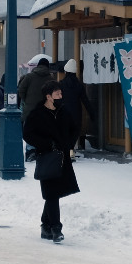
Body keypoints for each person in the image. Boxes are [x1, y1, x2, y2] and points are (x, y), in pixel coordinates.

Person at [25, 81, 77, 242]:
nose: (61, 96)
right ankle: (56, 228)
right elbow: (27, 134)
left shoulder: (63, 111)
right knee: (52, 193)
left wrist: (68, 143)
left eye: (61, 93)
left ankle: (45, 226)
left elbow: (74, 128)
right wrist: (46, 144)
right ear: (48, 97)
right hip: (47, 157)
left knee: (54, 194)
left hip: (63, 158)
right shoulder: (37, 114)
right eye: (57, 94)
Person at [54, 59, 88, 158]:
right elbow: (85, 100)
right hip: (76, 112)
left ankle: (66, 152)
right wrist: (92, 113)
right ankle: (70, 151)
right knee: (74, 132)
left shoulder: (61, 84)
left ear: (66, 71)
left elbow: (57, 99)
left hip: (64, 112)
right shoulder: (79, 85)